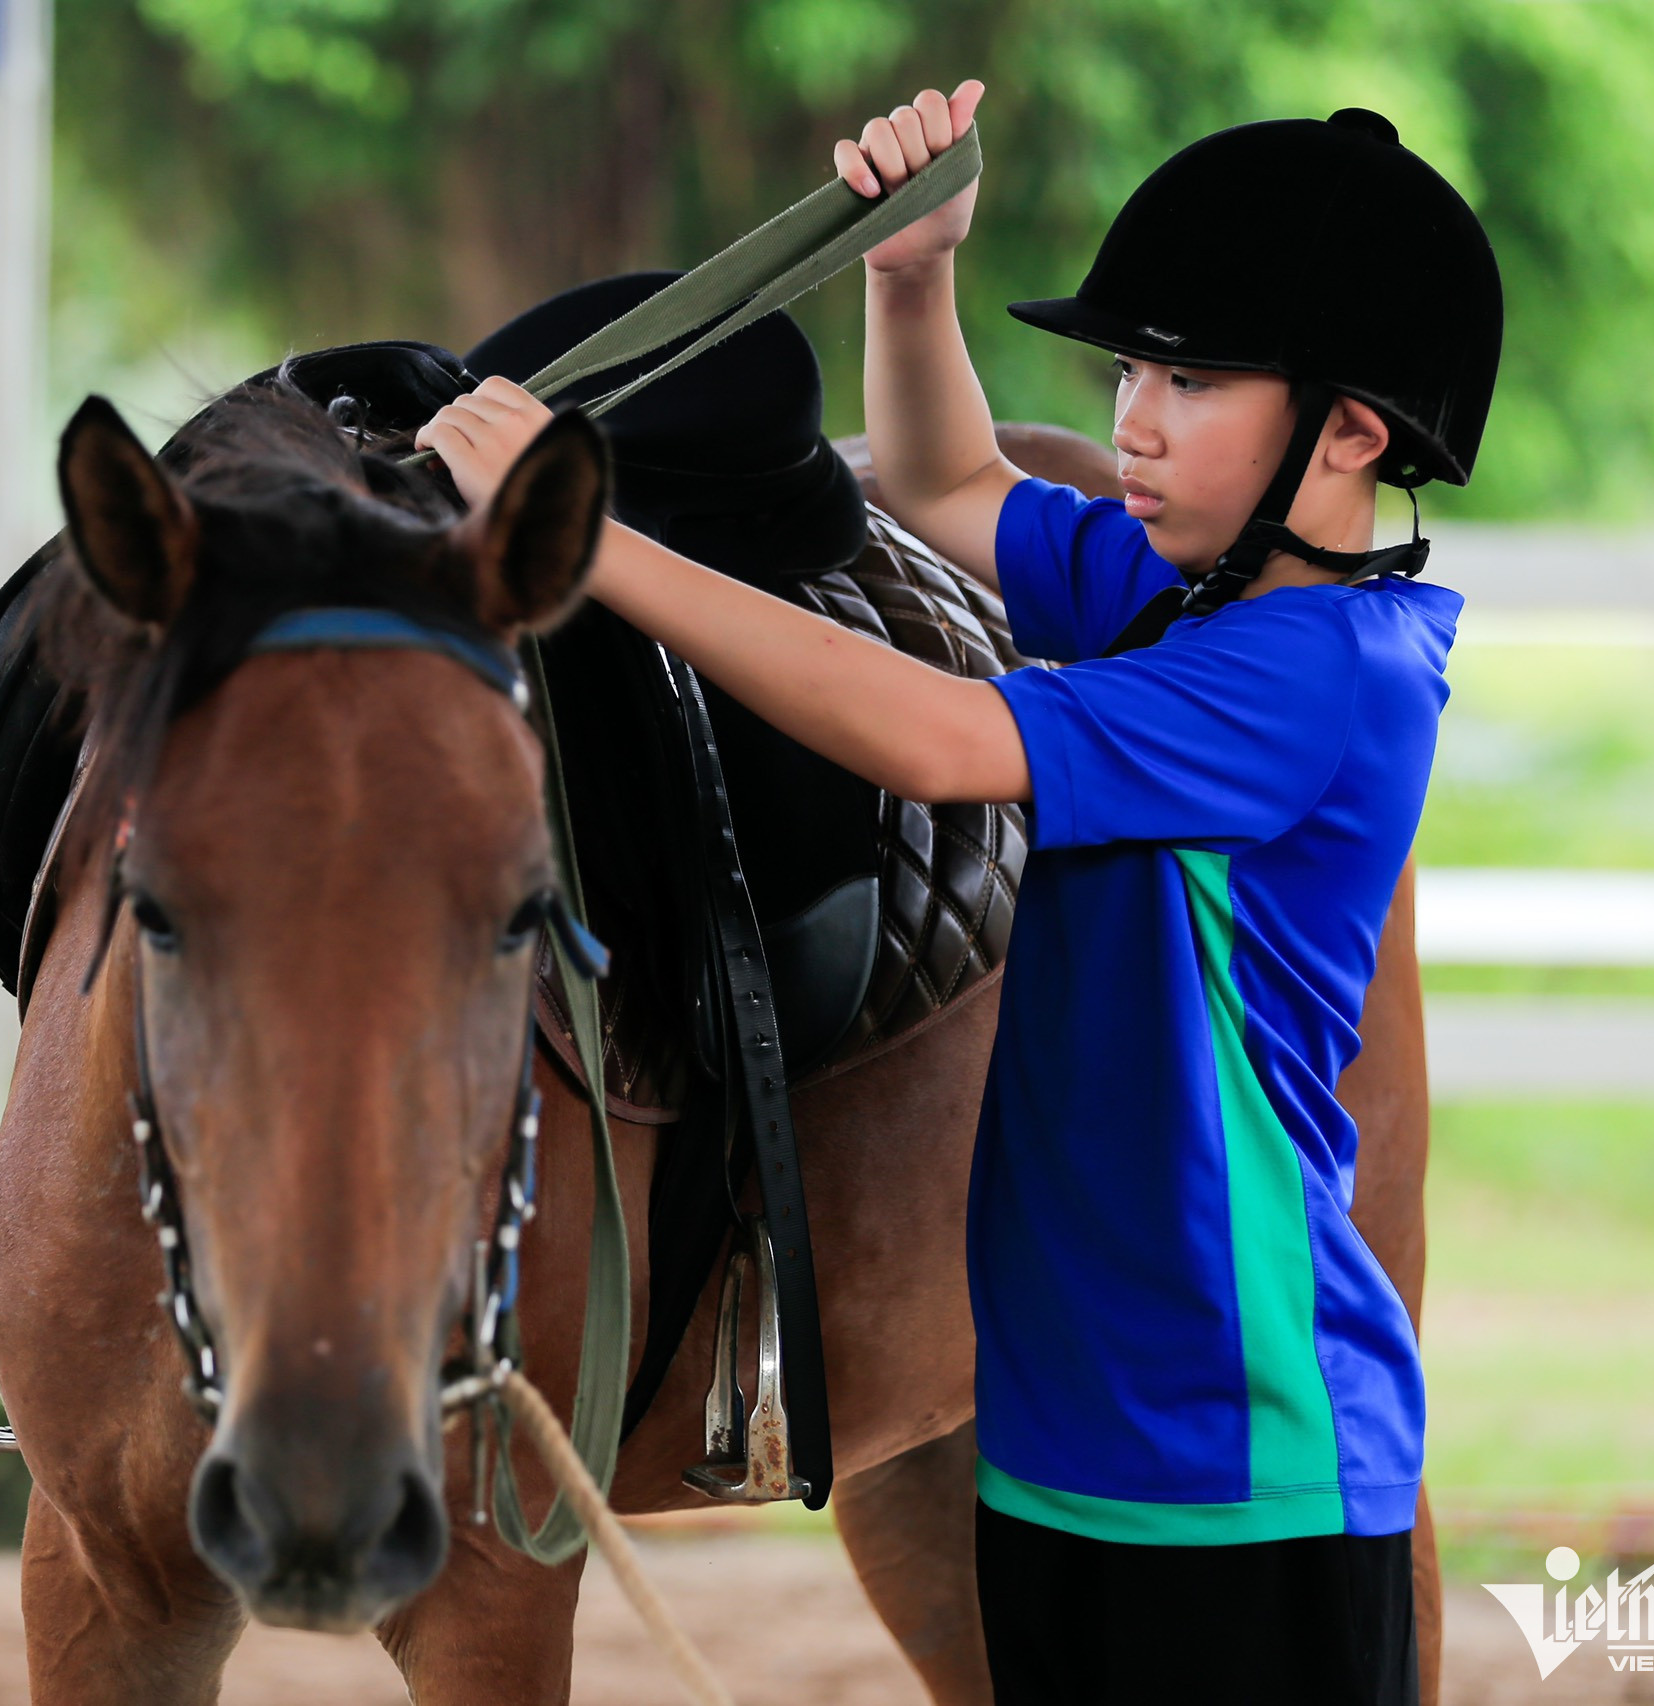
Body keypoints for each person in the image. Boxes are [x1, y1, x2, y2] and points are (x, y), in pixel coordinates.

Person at [417, 80, 1500, 1706]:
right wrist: (907, 279)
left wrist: (589, 544)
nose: (1133, 415)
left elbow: (932, 735)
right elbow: (949, 491)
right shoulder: (1177, 599)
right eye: (1130, 367)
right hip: (1071, 1436)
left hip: (1237, 1456)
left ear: (1351, 431)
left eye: (1192, 379)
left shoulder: (1316, 672)